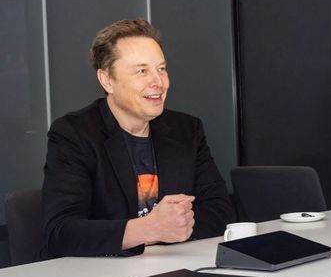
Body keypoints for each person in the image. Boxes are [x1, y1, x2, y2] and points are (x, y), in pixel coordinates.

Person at [43, 18, 234, 257]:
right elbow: (61, 232)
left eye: (161, 69)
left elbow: (220, 210)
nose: (159, 82)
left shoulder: (186, 130)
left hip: (175, 268)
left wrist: (170, 231)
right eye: (142, 71)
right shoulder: (75, 134)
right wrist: (147, 230)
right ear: (107, 80)